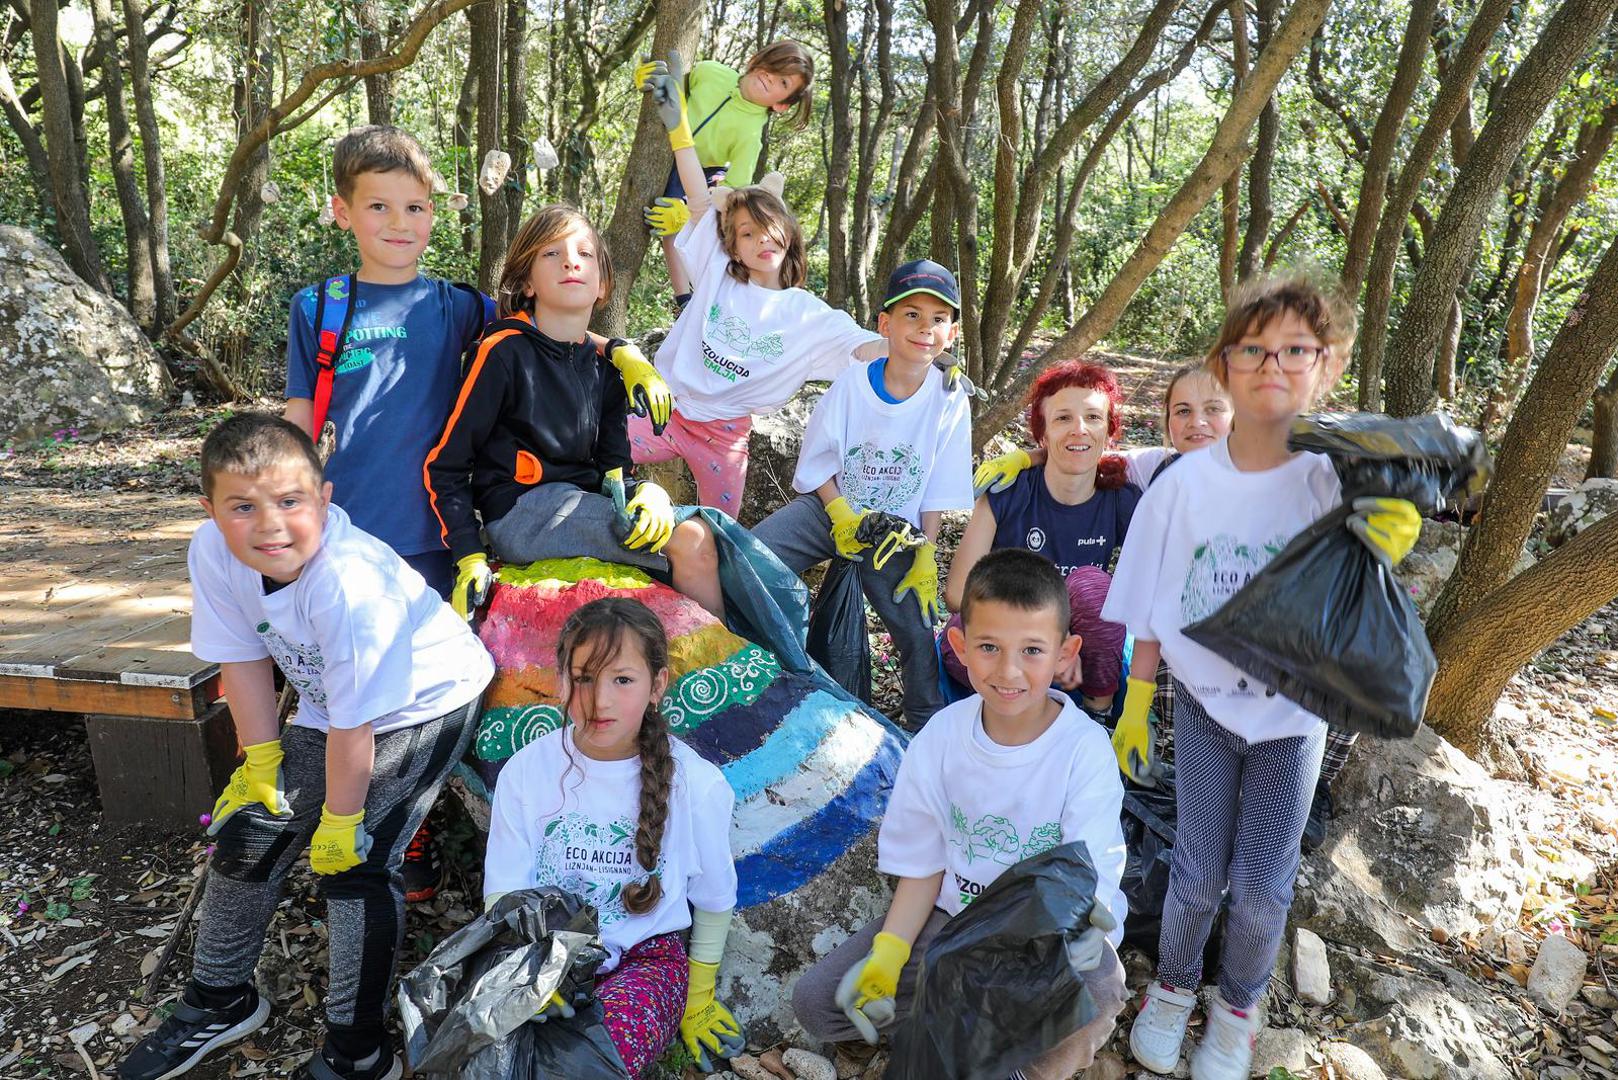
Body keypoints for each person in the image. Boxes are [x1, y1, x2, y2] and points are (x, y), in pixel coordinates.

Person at [283, 125, 666, 900]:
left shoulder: (458, 306)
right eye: (380, 206)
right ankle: (357, 824)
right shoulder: (320, 307)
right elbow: (297, 422)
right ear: (341, 212)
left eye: (416, 207)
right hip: (349, 532)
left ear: (435, 215)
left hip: (437, 533)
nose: (400, 223)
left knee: (427, 687)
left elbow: (549, 324)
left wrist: (620, 350)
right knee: (355, 684)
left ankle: (412, 812)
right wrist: (281, 517)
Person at [1102, 275, 1420, 1079]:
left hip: (1293, 717)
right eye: (1253, 348)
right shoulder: (1182, 486)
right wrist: (1137, 700)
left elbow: (1384, 559)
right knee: (1198, 869)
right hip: (1207, 709)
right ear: (1225, 360)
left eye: (1296, 350)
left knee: (1263, 886)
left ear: (1329, 363)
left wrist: (1385, 533)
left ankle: (1238, 1006)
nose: (1272, 364)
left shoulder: (1334, 477)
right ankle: (1174, 988)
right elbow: (1148, 601)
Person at [119, 414, 494, 1080]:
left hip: (425, 698)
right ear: (210, 512)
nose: (269, 525)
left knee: (356, 865)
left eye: (290, 501)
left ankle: (360, 1053)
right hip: (334, 703)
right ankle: (221, 997)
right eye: (242, 507)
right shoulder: (211, 550)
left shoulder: (351, 587)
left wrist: (342, 823)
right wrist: (261, 764)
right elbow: (240, 658)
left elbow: (358, 727)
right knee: (253, 829)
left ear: (323, 499)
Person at [791, 550, 1128, 1079]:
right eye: (989, 647)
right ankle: (954, 1023)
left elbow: (1090, 875)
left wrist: (1085, 925)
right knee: (816, 1003)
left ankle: (1021, 1069)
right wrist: (889, 953)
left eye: (1032, 650)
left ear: (1066, 654)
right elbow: (923, 863)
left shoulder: (1083, 751)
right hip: (955, 925)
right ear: (959, 645)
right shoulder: (940, 739)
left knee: (1100, 987)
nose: (1009, 671)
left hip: (1048, 937)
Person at [424, 203, 726, 620]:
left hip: (580, 503)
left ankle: (720, 656)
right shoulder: (503, 351)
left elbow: (614, 472)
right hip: (523, 513)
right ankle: (722, 675)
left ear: (602, 283)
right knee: (691, 540)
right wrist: (468, 553)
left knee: (704, 535)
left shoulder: (608, 368)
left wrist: (648, 493)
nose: (570, 260)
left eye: (585, 253)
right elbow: (446, 465)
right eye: (551, 253)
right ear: (527, 282)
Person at [483, 598, 741, 1078]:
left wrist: (699, 994)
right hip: (541, 948)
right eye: (583, 678)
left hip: (648, 958)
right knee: (492, 1057)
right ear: (561, 681)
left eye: (622, 679)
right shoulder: (526, 772)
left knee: (585, 1068)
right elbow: (504, 891)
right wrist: (531, 968)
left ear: (657, 685)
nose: (599, 700)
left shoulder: (697, 785)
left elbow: (715, 896)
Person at [630, 55, 888, 514]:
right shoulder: (715, 271)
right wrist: (676, 125)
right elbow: (696, 195)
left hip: (725, 436)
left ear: (788, 235)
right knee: (593, 453)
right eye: (746, 233)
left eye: (769, 228)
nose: (761, 239)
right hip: (665, 411)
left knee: (721, 527)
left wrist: (918, 352)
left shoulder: (807, 314)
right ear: (733, 243)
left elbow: (862, 346)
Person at [751, 259, 973, 730]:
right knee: (752, 559)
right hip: (832, 507)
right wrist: (840, 515)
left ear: (951, 334)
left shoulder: (949, 397)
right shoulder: (854, 382)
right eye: (911, 315)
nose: (924, 329)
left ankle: (924, 728)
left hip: (894, 533)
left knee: (916, 630)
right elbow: (818, 458)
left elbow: (938, 486)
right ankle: (762, 674)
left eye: (938, 320)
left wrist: (927, 552)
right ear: (886, 325)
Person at [944, 361, 1142, 715]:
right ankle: (1004, 723)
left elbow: (1149, 593)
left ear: (1109, 432)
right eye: (1063, 418)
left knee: (1092, 585)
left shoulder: (1121, 498)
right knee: (956, 635)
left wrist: (1068, 642)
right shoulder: (1008, 490)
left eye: (1093, 418)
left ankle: (1099, 717)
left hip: (1079, 653)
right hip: (1008, 642)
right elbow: (958, 593)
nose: (1079, 430)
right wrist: (1043, 641)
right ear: (1043, 433)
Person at [639, 41, 815, 307]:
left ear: (781, 105)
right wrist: (647, 78)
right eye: (772, 66)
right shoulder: (710, 71)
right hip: (666, 146)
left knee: (671, 232)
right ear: (756, 59)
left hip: (703, 172)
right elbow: (676, 89)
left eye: (783, 83)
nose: (771, 76)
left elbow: (733, 197)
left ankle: (686, 300)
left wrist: (685, 213)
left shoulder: (751, 134)